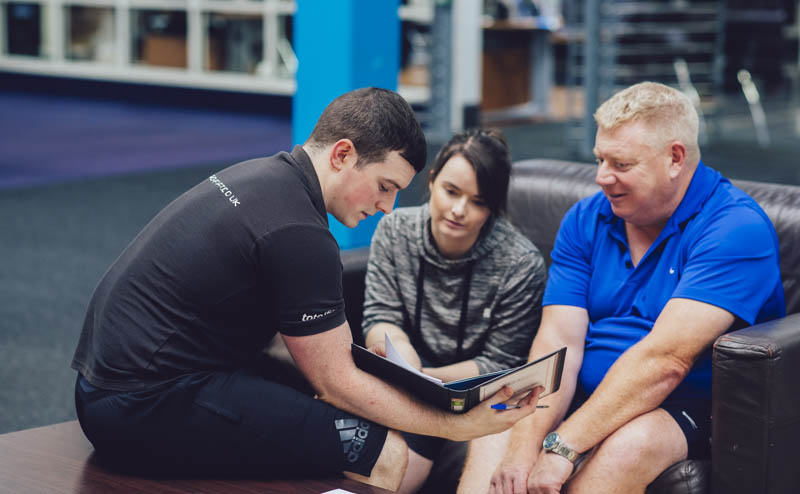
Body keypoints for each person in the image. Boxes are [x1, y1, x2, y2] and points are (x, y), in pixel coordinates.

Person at [70, 87, 542, 492]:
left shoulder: (262, 178)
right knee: (386, 453)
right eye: (383, 185)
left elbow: (298, 351)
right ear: (342, 154)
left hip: (107, 388)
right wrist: (459, 423)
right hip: (143, 405)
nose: (386, 206)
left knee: (338, 418)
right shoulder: (300, 233)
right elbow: (336, 382)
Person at [457, 81, 786, 494]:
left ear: (675, 159)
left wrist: (563, 446)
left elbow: (666, 361)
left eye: (621, 164)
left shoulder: (734, 228)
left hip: (685, 407)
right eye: (599, 159)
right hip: (584, 395)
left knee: (631, 445)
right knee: (495, 426)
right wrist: (524, 442)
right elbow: (559, 343)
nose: (601, 177)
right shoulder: (587, 218)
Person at [362, 129, 547, 491]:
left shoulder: (520, 263)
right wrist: (401, 355)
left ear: (493, 206)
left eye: (478, 201)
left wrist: (428, 378)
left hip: (480, 396)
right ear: (432, 181)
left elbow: (501, 362)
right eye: (451, 192)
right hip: (406, 385)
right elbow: (380, 315)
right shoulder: (395, 231)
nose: (459, 210)